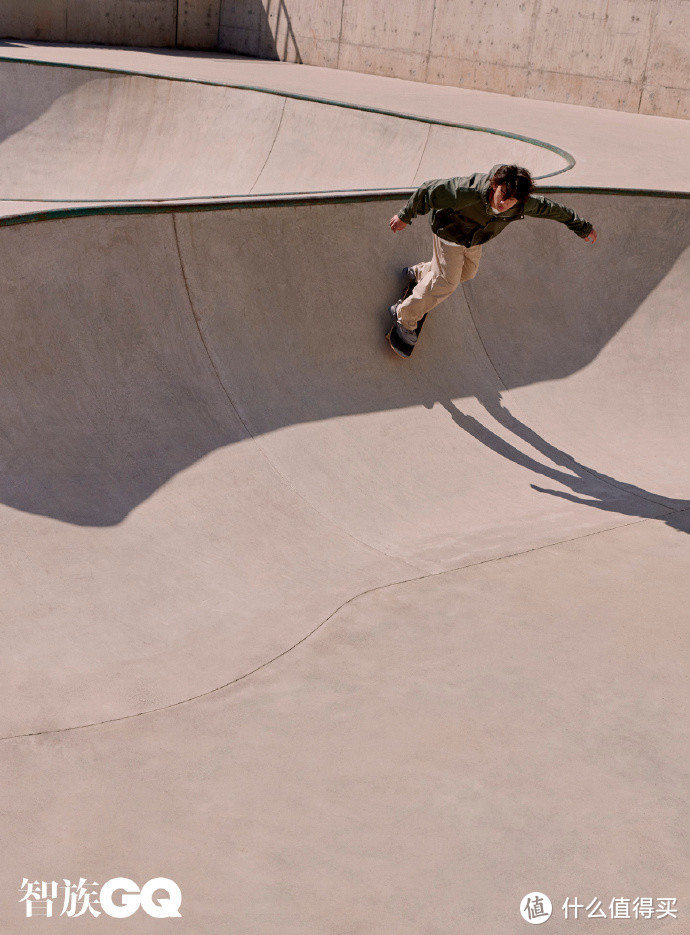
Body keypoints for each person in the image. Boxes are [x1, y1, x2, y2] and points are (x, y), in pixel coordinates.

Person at [388, 164, 597, 346]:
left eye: (511, 200)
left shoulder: (521, 204)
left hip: (473, 239)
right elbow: (428, 190)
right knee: (447, 282)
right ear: (495, 185)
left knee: (468, 272)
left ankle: (421, 272)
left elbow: (552, 209)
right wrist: (404, 216)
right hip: (449, 232)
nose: (504, 203)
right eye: (503, 194)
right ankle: (404, 316)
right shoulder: (468, 190)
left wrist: (582, 227)